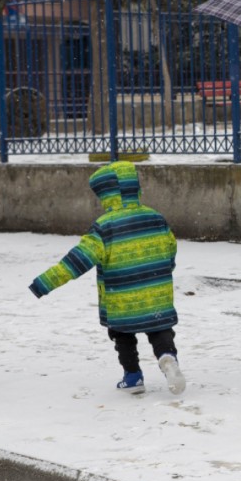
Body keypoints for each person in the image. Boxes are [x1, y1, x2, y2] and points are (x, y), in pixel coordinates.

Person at [28, 161, 186, 396]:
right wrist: (162, 270)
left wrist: (43, 283)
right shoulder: (156, 218)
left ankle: (132, 377)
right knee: (159, 329)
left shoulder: (104, 227)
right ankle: (167, 357)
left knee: (123, 334)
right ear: (135, 188)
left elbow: (76, 262)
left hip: (121, 298)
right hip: (157, 294)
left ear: (106, 195)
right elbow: (170, 249)